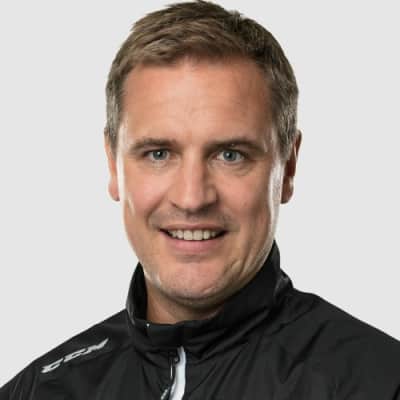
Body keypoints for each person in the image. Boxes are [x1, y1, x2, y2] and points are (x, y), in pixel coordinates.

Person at [1, 1, 399, 398]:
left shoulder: (379, 384)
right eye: (159, 154)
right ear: (113, 164)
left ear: (289, 167)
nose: (192, 198)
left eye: (230, 155)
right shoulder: (39, 391)